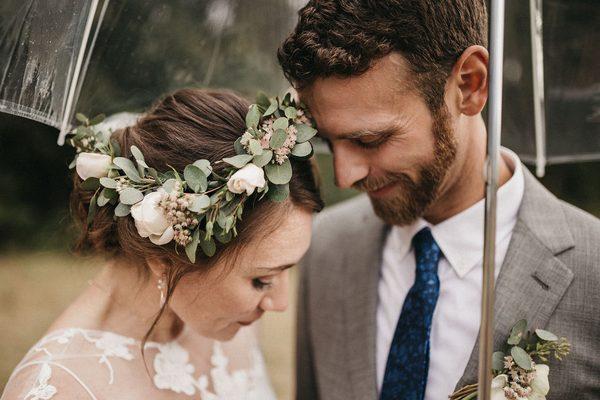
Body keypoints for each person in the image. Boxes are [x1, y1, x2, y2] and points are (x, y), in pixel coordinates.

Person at [278, 1, 600, 399]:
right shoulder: (325, 245)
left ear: (470, 84)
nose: (346, 175)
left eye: (370, 140)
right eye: (328, 141)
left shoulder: (594, 272)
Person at [1, 88, 323, 399]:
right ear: (166, 256)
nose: (280, 304)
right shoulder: (60, 390)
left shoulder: (228, 323)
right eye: (261, 280)